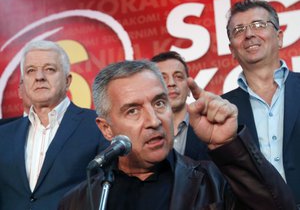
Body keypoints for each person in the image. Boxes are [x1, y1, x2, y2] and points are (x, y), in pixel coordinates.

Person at [58, 60, 296, 210]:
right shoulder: (78, 202)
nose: (154, 120)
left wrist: (229, 145)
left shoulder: (213, 181)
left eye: (159, 103)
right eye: (133, 110)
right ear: (106, 128)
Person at [0, 40, 109, 210]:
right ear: (24, 82)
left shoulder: (97, 125)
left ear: (67, 80)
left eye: (49, 69)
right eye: (31, 71)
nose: (39, 77)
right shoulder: (3, 135)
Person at [221, 0, 300, 206]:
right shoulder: (221, 111)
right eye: (238, 30)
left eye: (258, 25)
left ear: (279, 37)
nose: (249, 34)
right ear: (232, 50)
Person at [151, 51, 209, 160]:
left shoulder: (210, 124)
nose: (171, 83)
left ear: (188, 88)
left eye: (178, 77)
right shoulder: (143, 131)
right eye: (163, 78)